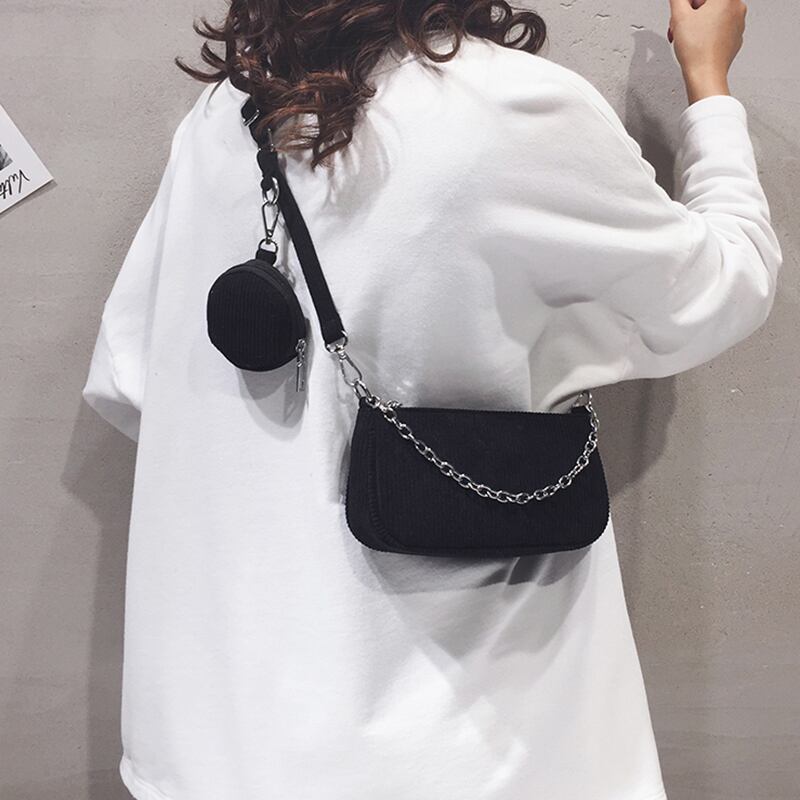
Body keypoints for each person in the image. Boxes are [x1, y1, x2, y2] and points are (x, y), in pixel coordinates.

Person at [81, 1, 781, 799]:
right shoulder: (515, 109)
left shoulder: (228, 112)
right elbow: (721, 289)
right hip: (458, 748)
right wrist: (709, 86)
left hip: (215, 735)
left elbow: (127, 378)